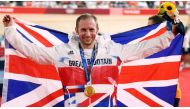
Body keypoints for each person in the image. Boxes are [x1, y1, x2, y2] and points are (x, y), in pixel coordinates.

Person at [3, 13, 180, 107]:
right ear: (76, 30)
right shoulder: (62, 52)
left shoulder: (113, 50)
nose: (87, 34)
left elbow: (144, 49)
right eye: (83, 30)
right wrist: (10, 30)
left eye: (91, 29)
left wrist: (170, 35)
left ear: (97, 29)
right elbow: (33, 52)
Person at [148, 14, 185, 107]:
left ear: (157, 28)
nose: (146, 28)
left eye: (149, 26)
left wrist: (173, 16)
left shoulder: (170, 42)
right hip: (150, 93)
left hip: (169, 93)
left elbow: (180, 29)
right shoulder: (146, 45)